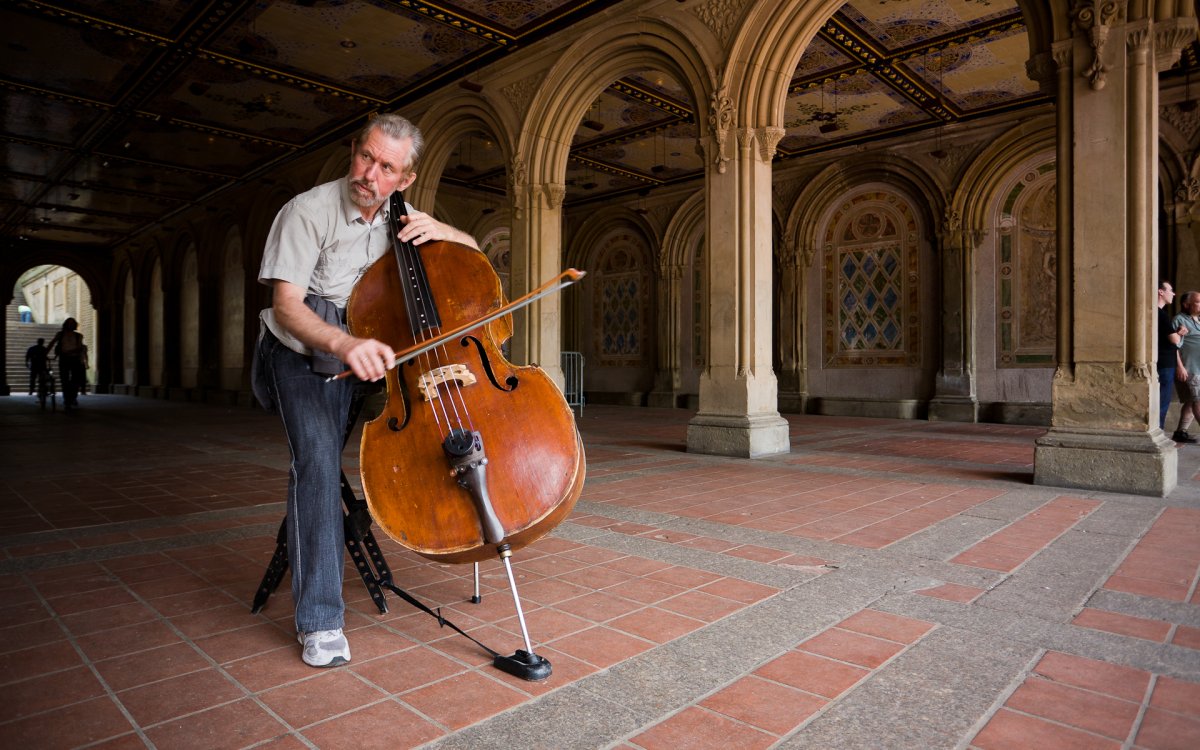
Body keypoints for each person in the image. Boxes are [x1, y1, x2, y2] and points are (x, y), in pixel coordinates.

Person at [252, 113, 479, 668]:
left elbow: (471, 257)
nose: (369, 175)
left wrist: (450, 233)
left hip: (367, 349)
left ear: (405, 179)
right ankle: (321, 620)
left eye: (386, 168)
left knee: (386, 450)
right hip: (299, 351)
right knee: (319, 464)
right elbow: (288, 305)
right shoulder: (306, 211)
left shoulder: (404, 217)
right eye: (365, 158)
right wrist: (345, 342)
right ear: (354, 149)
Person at [1156, 281, 1186, 431]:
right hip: (1165, 363)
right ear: (1160, 292)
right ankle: (1158, 430)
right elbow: (1174, 340)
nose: (1173, 293)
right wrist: (1180, 333)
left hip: (1162, 361)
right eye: (1170, 290)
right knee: (1162, 401)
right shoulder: (1161, 314)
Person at [1173, 291, 1200, 443]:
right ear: (1186, 304)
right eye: (1198, 301)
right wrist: (1180, 366)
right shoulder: (1179, 320)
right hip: (1191, 368)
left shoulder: (1198, 320)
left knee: (1191, 401)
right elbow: (1174, 346)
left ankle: (1180, 432)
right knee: (1198, 401)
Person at [46, 318, 86, 410]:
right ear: (65, 324)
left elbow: (79, 347)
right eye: (69, 323)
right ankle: (67, 400)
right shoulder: (60, 335)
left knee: (75, 380)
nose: (71, 325)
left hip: (75, 359)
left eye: (72, 323)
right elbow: (52, 343)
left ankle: (73, 396)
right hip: (64, 359)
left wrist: (70, 352)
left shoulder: (78, 336)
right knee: (65, 380)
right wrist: (45, 353)